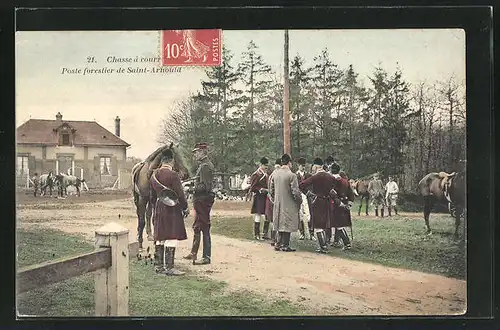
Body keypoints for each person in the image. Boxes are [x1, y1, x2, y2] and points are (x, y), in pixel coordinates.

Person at [149, 150, 189, 276]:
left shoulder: (154, 175)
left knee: (160, 236)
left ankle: (159, 266)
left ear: (162, 161)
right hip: (172, 207)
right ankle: (170, 268)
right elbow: (180, 194)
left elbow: (152, 195)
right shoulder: (173, 175)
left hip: (159, 206)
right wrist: (185, 207)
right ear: (171, 161)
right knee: (171, 236)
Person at [184, 142, 215, 265]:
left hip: (203, 200)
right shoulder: (203, 165)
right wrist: (191, 184)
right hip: (200, 200)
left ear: (203, 152)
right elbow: (200, 183)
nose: (195, 155)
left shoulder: (206, 166)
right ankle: (194, 253)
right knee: (197, 226)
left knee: (205, 227)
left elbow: (205, 187)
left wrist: (190, 189)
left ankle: (206, 257)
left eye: (196, 152)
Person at [299, 158, 337, 254]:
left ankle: (323, 247)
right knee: (324, 224)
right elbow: (336, 186)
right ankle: (325, 245)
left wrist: (309, 194)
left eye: (313, 167)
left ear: (316, 166)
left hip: (317, 201)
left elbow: (302, 185)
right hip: (327, 201)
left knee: (318, 226)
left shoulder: (315, 177)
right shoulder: (330, 176)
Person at [268, 154, 302, 252]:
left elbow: (271, 189)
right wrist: (299, 201)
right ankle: (285, 245)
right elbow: (295, 191)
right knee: (287, 223)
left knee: (279, 222)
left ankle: (278, 243)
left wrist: (274, 198)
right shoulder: (292, 175)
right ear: (289, 162)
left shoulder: (275, 174)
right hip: (289, 202)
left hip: (278, 202)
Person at [330, 169, 354, 250]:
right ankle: (336, 241)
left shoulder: (335, 182)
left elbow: (333, 194)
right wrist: (349, 202)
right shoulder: (346, 181)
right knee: (338, 224)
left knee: (339, 225)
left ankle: (347, 243)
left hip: (337, 205)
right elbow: (351, 193)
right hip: (345, 203)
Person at [249, 157, 270, 240]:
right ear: (261, 165)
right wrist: (260, 189)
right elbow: (252, 187)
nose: (266, 167)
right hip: (259, 197)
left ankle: (265, 233)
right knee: (258, 215)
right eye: (265, 166)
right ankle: (256, 234)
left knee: (267, 215)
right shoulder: (256, 174)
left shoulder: (266, 174)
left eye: (267, 166)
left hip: (266, 197)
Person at [296, 157, 311, 240]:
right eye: (301, 165)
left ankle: (311, 233)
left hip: (306, 195)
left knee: (309, 214)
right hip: (299, 195)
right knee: (300, 214)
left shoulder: (308, 175)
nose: (303, 167)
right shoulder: (295, 175)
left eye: (304, 165)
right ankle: (302, 233)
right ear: (298, 166)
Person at [267, 158, 281, 246]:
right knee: (277, 220)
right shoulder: (277, 174)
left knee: (273, 220)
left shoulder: (272, 174)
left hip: (272, 199)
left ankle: (273, 239)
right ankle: (275, 239)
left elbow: (270, 188)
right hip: (276, 199)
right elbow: (271, 188)